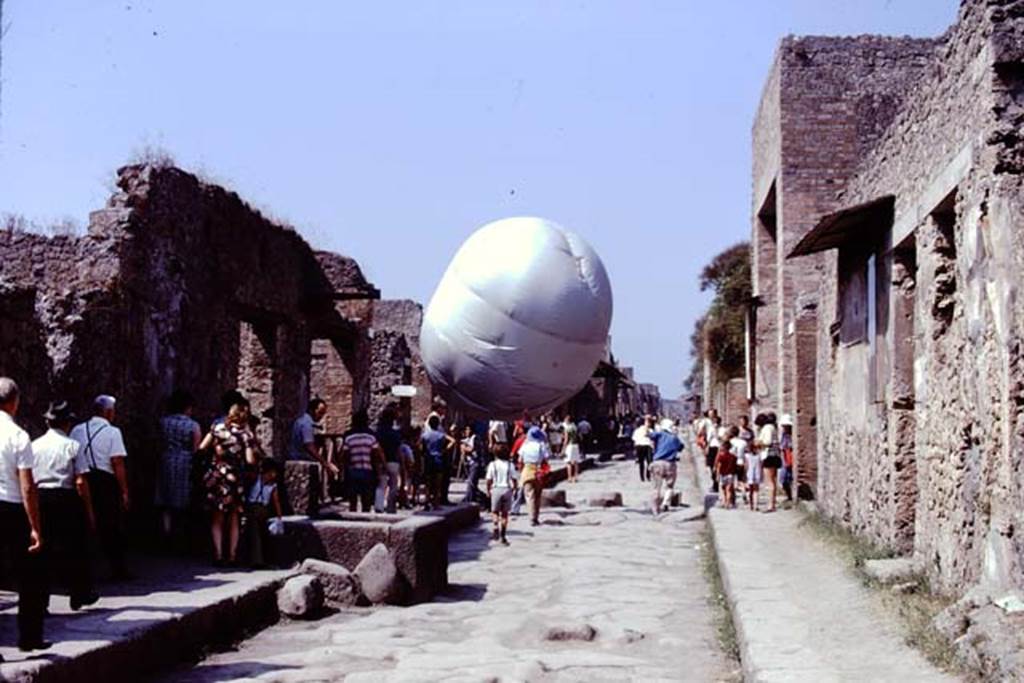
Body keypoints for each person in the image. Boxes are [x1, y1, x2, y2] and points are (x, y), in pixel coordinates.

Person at [33, 400, 99, 612]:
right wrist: (89, 511)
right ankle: (79, 594)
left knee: (42, 551)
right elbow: (81, 480)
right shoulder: (73, 446)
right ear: (67, 423)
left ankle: (40, 602)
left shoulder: (35, 446)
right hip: (66, 497)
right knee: (76, 548)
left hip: (41, 497)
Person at [0, 379, 48, 653]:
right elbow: (28, 486)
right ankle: (29, 637)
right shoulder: (18, 436)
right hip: (11, 506)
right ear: (14, 402)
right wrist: (35, 527)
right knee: (29, 575)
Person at [70, 394, 132, 580]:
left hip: (83, 477)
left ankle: (83, 569)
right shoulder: (113, 432)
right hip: (105, 481)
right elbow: (117, 462)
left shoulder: (77, 429)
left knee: (84, 524)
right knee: (111, 525)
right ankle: (117, 569)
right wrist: (124, 490)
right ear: (108, 412)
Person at [199, 399, 256, 566]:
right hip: (235, 477)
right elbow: (250, 460)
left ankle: (218, 554)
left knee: (217, 517)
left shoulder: (217, 429)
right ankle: (231, 556)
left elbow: (202, 448)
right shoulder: (245, 435)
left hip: (218, 475)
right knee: (234, 517)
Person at [156, 390, 201, 542]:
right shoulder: (193, 425)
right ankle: (180, 536)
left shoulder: (163, 422)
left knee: (165, 500)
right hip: (185, 462)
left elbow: (158, 442)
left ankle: (165, 534)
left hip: (167, 459)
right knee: (183, 501)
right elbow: (196, 449)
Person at [340, 410, 384, 513]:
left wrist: (343, 470)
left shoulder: (348, 437)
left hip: (353, 471)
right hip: (368, 471)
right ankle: (365, 518)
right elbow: (376, 455)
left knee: (353, 499)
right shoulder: (371, 436)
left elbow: (344, 455)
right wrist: (379, 470)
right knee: (366, 499)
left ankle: (352, 519)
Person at [245, 459, 283, 568]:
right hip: (254, 508)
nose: (272, 475)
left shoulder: (272, 485)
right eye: (271, 472)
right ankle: (257, 561)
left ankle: (262, 559)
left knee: (262, 534)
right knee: (255, 534)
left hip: (262, 509)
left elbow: (276, 502)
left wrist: (279, 518)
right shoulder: (256, 478)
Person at [288, 398, 339, 477]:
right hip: (302, 461)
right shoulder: (306, 424)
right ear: (312, 410)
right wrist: (325, 463)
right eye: (320, 413)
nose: (321, 417)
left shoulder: (300, 421)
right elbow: (309, 446)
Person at [648, 419, 683, 515]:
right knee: (669, 486)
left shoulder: (660, 434)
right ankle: (665, 503)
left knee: (656, 487)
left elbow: (649, 435)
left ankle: (655, 509)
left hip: (658, 463)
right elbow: (681, 447)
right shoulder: (675, 438)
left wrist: (648, 423)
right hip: (670, 464)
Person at [484, 445, 517, 545]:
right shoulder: (510, 465)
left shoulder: (492, 465)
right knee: (505, 514)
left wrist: (488, 489)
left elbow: (488, 479)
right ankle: (503, 534)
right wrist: (514, 488)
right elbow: (514, 479)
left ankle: (495, 527)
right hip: (506, 489)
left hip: (496, 489)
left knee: (495, 511)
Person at [517, 426, 550, 526]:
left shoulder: (525, 445)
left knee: (529, 496)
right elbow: (546, 458)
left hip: (527, 470)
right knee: (537, 495)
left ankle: (532, 518)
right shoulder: (541, 445)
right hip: (538, 471)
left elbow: (519, 460)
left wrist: (520, 471)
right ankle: (536, 517)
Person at [421, 415, 455, 510]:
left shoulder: (425, 435)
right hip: (439, 459)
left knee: (428, 483)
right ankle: (436, 504)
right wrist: (444, 450)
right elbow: (453, 441)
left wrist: (424, 452)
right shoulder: (441, 435)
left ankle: (427, 502)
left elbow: (420, 445)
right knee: (437, 483)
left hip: (428, 460)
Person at [375, 408, 403, 513]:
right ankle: (391, 507)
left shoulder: (378, 432)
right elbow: (399, 450)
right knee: (393, 485)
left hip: (381, 462)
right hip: (393, 461)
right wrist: (402, 464)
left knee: (381, 484)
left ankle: (379, 506)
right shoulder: (395, 434)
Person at [755, 413, 782, 512]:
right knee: (773, 481)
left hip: (768, 455)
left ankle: (771, 505)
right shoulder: (773, 428)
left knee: (769, 482)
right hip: (775, 455)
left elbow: (767, 441)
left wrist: (757, 442)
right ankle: (772, 503)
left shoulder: (767, 428)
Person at [714, 438, 738, 509]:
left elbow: (719, 466)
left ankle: (724, 502)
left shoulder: (721, 456)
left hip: (723, 474)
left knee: (723, 489)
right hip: (730, 474)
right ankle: (728, 503)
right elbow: (735, 465)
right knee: (729, 490)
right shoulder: (733, 456)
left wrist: (717, 475)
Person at [631, 415, 653, 482]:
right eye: (647, 422)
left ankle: (645, 476)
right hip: (642, 446)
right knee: (646, 462)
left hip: (644, 446)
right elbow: (635, 440)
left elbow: (634, 440)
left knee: (645, 462)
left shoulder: (650, 430)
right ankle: (645, 476)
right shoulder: (638, 430)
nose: (648, 424)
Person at [779, 414, 795, 503]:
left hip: (790, 456)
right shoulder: (784, 435)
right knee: (783, 478)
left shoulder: (792, 435)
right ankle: (789, 495)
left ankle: (791, 496)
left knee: (789, 477)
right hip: (785, 457)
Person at [561, 415, 582, 484]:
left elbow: (566, 440)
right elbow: (580, 437)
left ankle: (569, 477)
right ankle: (576, 477)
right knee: (576, 462)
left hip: (570, 446)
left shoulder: (567, 429)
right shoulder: (575, 427)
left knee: (569, 462)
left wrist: (563, 449)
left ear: (567, 420)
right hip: (576, 445)